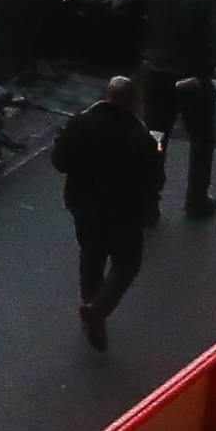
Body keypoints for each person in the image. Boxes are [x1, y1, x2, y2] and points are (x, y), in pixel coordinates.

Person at [133, 0, 216, 220]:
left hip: (156, 76)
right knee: (201, 139)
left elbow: (119, 5)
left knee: (156, 136)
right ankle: (196, 199)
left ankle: (148, 203)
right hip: (192, 81)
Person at [59, 73, 160, 348]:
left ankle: (92, 312)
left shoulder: (80, 124)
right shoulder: (140, 137)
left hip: (83, 205)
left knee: (91, 256)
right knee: (127, 263)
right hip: (123, 212)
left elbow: (60, 161)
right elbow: (154, 179)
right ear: (132, 102)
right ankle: (98, 309)